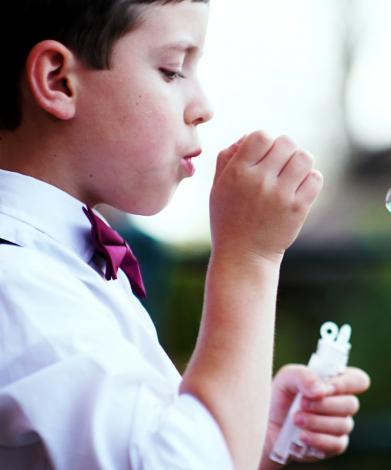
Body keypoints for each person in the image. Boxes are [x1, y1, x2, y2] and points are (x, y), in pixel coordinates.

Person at [0, 1, 370, 469]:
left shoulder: (54, 265)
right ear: (58, 81)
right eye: (173, 70)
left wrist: (247, 429)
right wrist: (249, 259)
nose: (204, 107)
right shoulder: (18, 285)